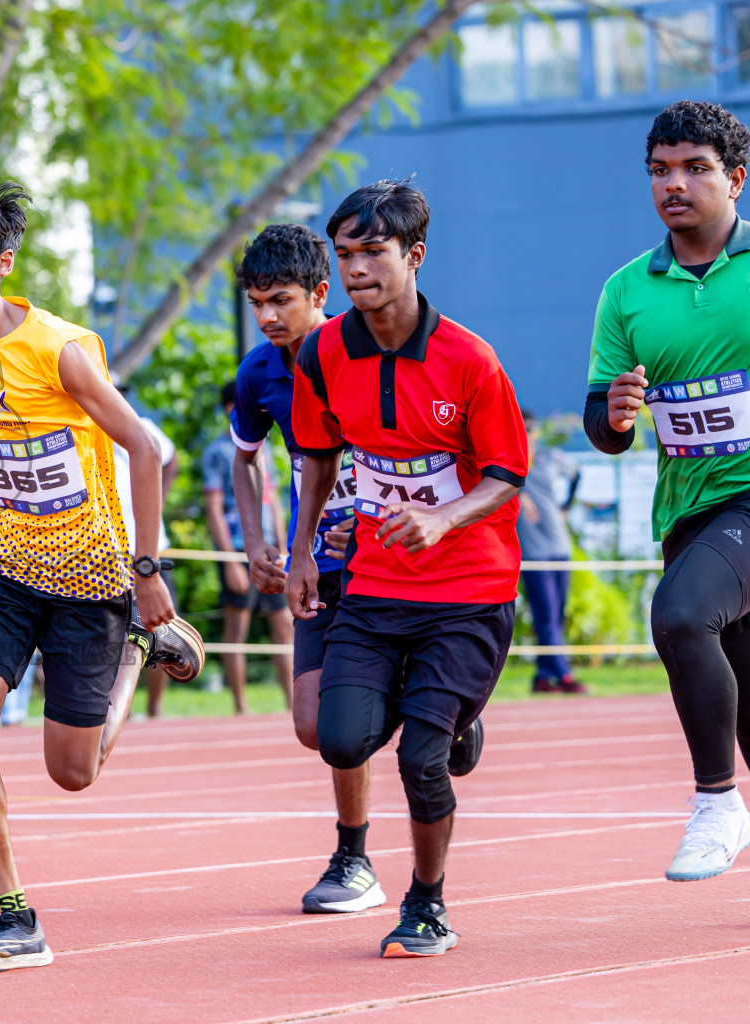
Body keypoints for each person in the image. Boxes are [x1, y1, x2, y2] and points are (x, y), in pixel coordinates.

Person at [0, 172, 202, 974]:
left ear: (3, 260)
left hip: (92, 577)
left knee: (73, 772)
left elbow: (142, 448)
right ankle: (14, 916)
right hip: (2, 565)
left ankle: (137, 650)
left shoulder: (59, 351)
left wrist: (145, 575)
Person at [288, 179, 527, 957]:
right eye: (344, 255)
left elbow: (504, 475)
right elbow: (318, 462)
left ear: (414, 255)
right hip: (373, 585)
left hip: (469, 592)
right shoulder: (324, 352)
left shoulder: (469, 360)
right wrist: (301, 554)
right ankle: (450, 713)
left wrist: (439, 517)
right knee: (340, 740)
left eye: (372, 252)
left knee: (422, 759)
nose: (355, 269)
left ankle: (427, 903)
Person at [586, 100, 750, 883]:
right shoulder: (626, 290)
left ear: (736, 179)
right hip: (689, 510)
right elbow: (602, 420)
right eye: (660, 170)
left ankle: (716, 801)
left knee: (681, 617)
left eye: (694, 169)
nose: (673, 185)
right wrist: (615, 416)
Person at [229, 223, 382, 916]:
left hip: (390, 558)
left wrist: (380, 513)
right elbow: (245, 457)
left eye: (281, 300)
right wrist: (261, 541)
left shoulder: (370, 345)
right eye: (256, 301)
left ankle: (353, 857)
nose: (267, 316)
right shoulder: (260, 372)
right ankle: (427, 704)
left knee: (350, 717)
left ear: (320, 293)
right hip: (314, 560)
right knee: (312, 725)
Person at [202, 385, 293, 712]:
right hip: (239, 549)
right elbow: (214, 509)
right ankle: (241, 707)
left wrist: (285, 547)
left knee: (285, 626)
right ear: (231, 408)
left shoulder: (265, 448)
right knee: (236, 629)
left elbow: (273, 502)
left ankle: (292, 703)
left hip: (273, 550)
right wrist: (229, 561)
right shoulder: (217, 451)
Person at [111, 381, 184, 716]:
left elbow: (170, 459)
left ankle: (155, 709)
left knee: (162, 629)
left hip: (150, 550)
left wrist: (158, 502)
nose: (119, 398)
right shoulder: (86, 433)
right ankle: (114, 709)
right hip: (108, 551)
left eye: (123, 392)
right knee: (116, 637)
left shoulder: (144, 429)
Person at [517, 408, 584, 695]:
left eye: (530, 429)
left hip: (559, 546)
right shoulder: (507, 461)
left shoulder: (548, 457)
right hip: (533, 553)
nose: (528, 434)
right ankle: (565, 674)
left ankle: (543, 676)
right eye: (522, 428)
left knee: (556, 616)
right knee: (545, 615)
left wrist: (566, 506)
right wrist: (519, 493)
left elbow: (576, 473)